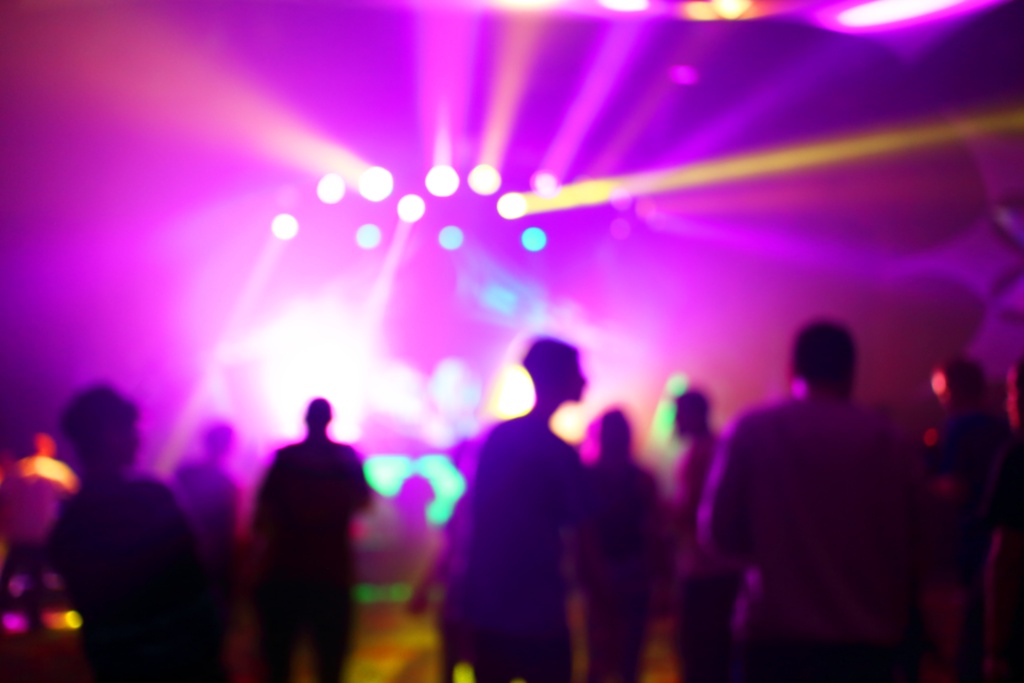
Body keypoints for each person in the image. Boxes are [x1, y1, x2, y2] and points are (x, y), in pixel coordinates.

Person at [701, 321, 932, 682]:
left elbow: (718, 534)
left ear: (792, 368)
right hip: (866, 643)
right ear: (851, 371)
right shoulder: (890, 441)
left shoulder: (754, 430)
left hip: (774, 638)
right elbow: (921, 541)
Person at [48, 386, 225, 682]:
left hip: (115, 664)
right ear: (110, 435)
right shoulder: (151, 498)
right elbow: (193, 579)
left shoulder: (71, 519)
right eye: (132, 428)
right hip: (180, 660)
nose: (140, 437)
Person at [462, 337, 591, 683]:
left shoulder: (499, 440)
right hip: (540, 613)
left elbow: (477, 527)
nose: (585, 380)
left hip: (493, 610)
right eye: (578, 371)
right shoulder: (559, 453)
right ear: (558, 377)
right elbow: (584, 536)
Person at [252, 397, 371, 683]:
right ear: (330, 420)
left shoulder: (285, 457)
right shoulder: (346, 458)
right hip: (331, 573)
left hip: (285, 570)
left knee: (278, 661)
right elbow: (365, 502)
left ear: (305, 420)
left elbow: (262, 513)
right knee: (330, 662)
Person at [932, 358, 1011, 681]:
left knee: (970, 653)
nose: (941, 400)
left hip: (976, 548)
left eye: (942, 391)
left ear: (952, 390)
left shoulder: (960, 427)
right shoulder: (1002, 427)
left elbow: (955, 488)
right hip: (999, 545)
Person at [583, 408, 664, 683]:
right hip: (628, 574)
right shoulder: (640, 479)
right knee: (624, 658)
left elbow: (585, 532)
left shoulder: (590, 478)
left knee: (604, 656)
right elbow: (654, 530)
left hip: (612, 574)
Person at [673, 390, 742, 683]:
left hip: (704, 572)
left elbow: (691, 512)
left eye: (678, 413)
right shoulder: (718, 447)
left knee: (700, 660)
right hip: (724, 570)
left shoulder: (700, 453)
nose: (674, 421)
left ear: (693, 414)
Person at [0, 433, 79, 633]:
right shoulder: (55, 470)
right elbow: (75, 492)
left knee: (10, 576)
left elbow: (3, 497)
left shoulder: (17, 470)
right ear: (47, 448)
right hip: (44, 535)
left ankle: (25, 616)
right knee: (43, 577)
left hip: (20, 533)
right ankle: (37, 619)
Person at [983, 357, 1024, 681]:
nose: (1007, 402)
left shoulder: (1016, 458)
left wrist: (995, 649)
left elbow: (1007, 559)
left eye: (1012, 392)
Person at [174, 421, 240, 613]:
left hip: (180, 561)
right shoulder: (229, 484)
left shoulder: (185, 474)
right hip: (209, 565)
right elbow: (230, 532)